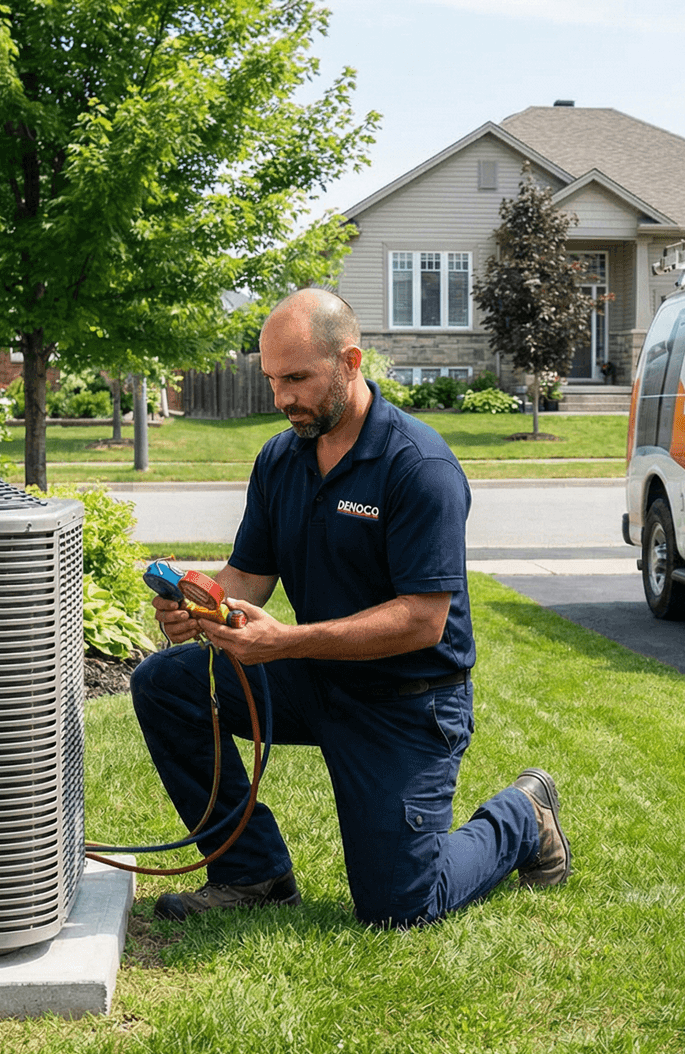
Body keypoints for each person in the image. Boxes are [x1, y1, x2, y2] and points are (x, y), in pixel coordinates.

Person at [129, 288, 572, 927]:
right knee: (166, 685)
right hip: (313, 677)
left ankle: (522, 818)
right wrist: (200, 608)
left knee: (399, 906)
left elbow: (424, 619)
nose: (283, 399)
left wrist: (286, 642)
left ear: (351, 362)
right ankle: (252, 870)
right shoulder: (281, 458)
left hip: (408, 699)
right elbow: (249, 574)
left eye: (298, 378)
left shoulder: (417, 465)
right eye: (274, 380)